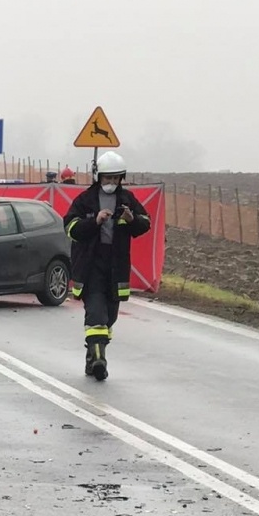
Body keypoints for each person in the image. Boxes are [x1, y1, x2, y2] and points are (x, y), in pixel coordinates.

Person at [63, 151, 149, 381]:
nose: (111, 183)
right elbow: (71, 228)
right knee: (96, 313)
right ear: (98, 177)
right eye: (107, 178)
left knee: (109, 317)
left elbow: (145, 224)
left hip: (116, 265)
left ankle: (93, 356)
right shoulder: (84, 200)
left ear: (121, 178)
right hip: (91, 265)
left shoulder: (127, 200)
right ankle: (100, 360)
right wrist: (94, 221)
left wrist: (132, 220)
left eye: (115, 178)